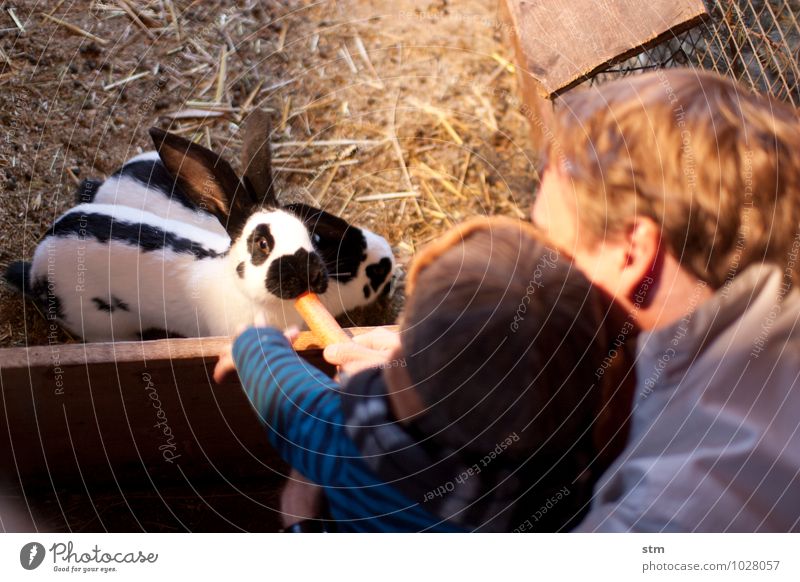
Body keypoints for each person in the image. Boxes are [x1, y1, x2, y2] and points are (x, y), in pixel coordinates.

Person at [330, 68, 800, 532]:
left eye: (554, 251)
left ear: (632, 253)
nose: (543, 263)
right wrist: (446, 360)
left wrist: (310, 520)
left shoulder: (663, 516)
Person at [216, 217, 632, 531]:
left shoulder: (352, 439)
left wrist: (257, 347)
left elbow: (290, 401)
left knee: (301, 499)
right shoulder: (573, 463)